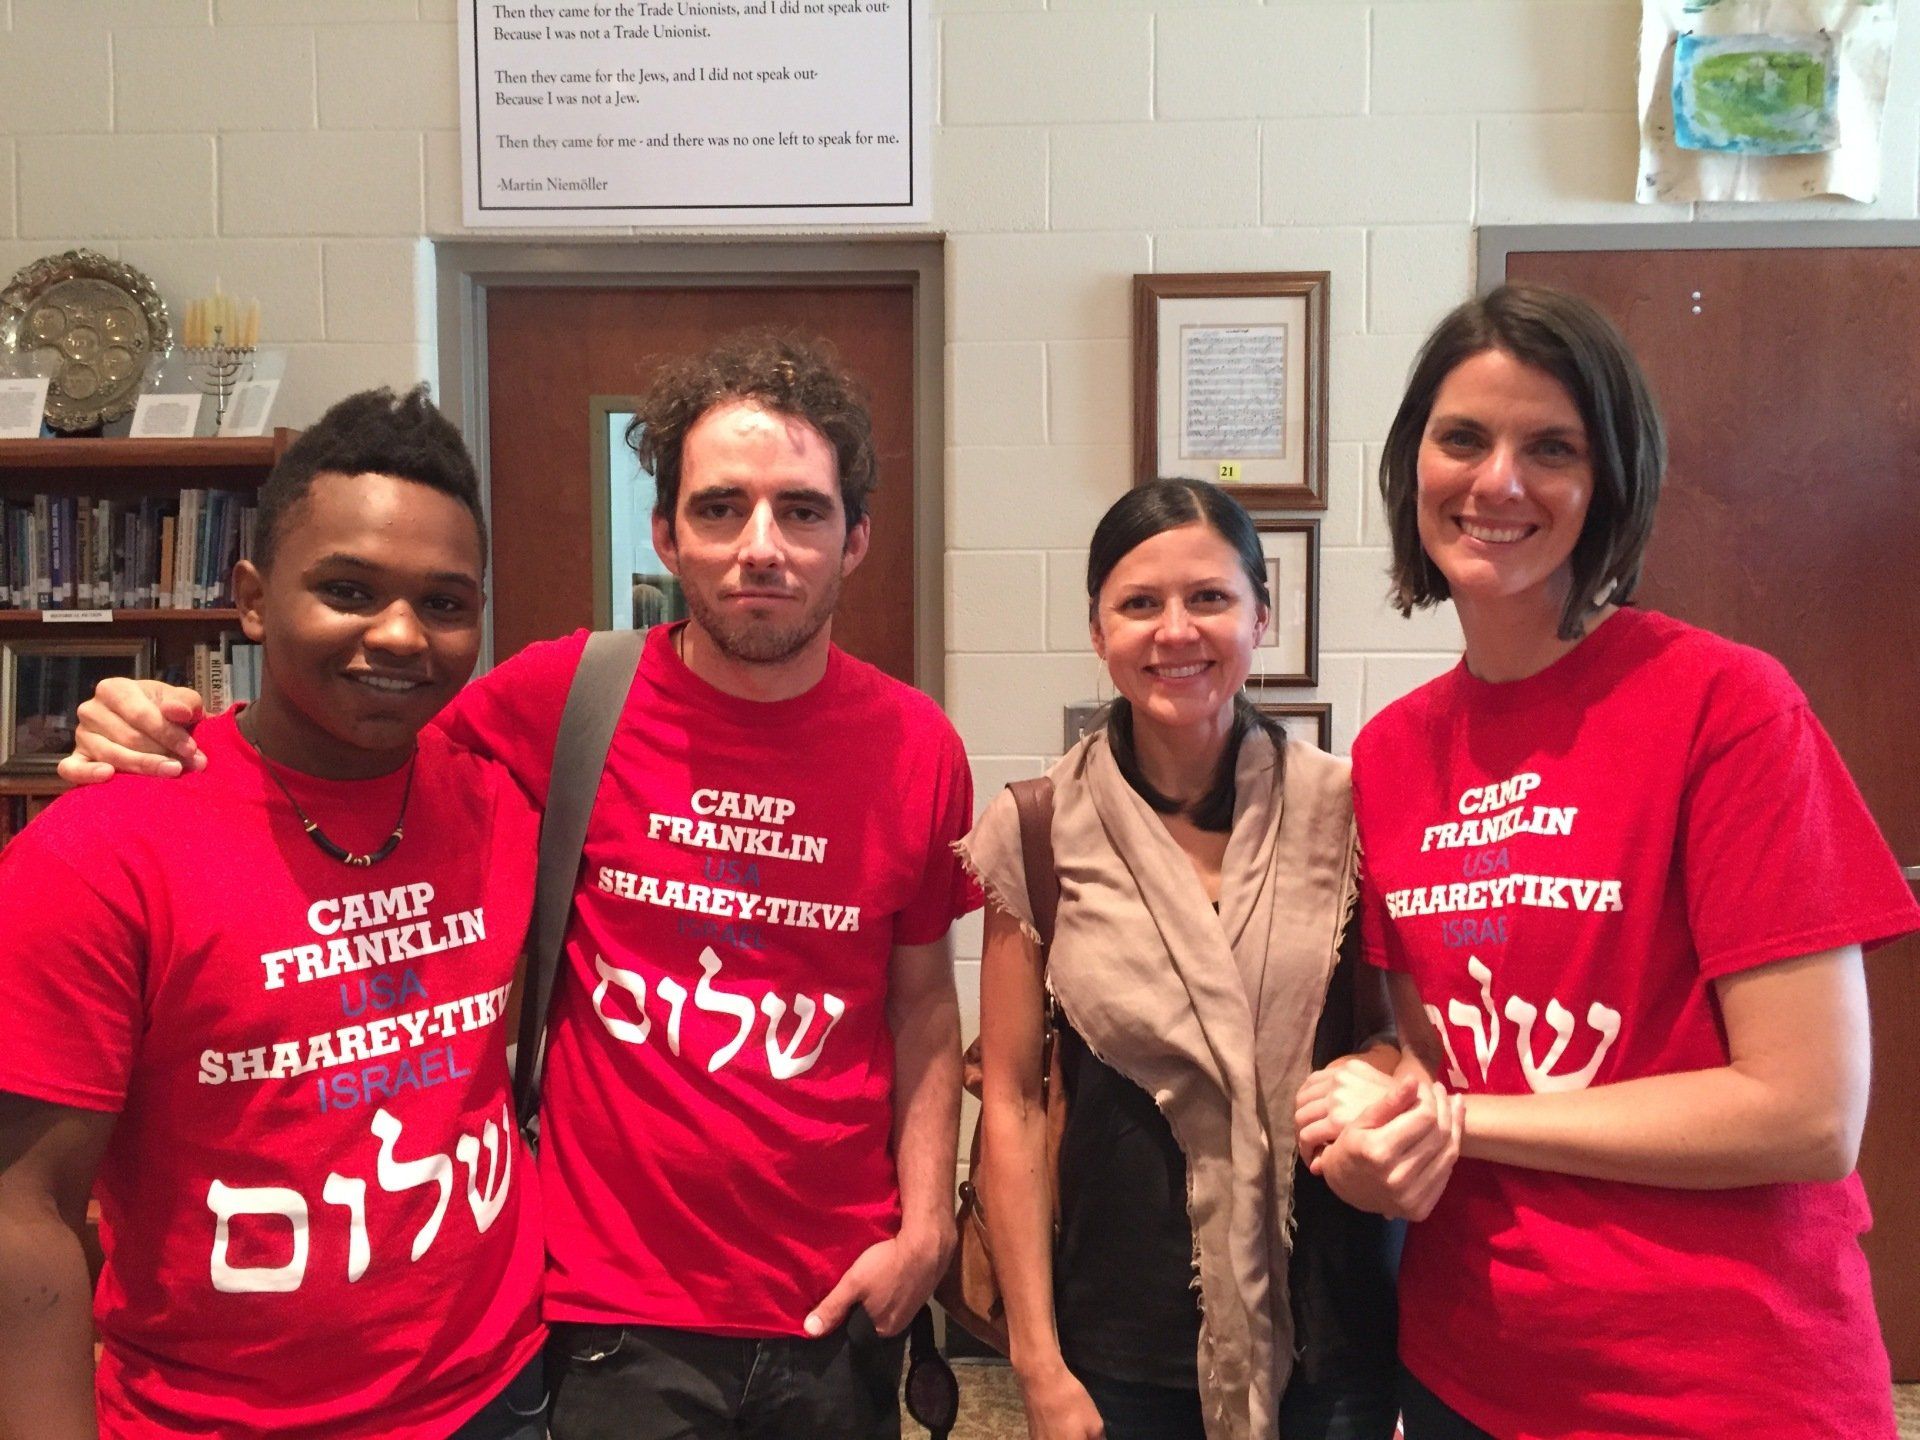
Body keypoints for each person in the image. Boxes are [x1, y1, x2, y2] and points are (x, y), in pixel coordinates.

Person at [59, 332, 979, 1440]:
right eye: (720, 508)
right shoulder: (565, 698)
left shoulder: (917, 749)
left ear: (856, 538)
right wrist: (164, 724)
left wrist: (928, 1225)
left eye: (803, 511)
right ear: (666, 534)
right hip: (606, 1308)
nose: (761, 547)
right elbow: (346, 729)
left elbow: (923, 1003)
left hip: (838, 1294)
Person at [1296, 283, 1920, 1439]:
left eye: (1553, 448)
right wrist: (1373, 1115)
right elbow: (1430, 1046)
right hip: (1467, 1372)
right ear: (1413, 466)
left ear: (1612, 482)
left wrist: (1459, 1122)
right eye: (1463, 438)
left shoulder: (1726, 706)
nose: (1498, 482)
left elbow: (1808, 1112)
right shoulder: (1392, 753)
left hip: (1720, 1387)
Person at [0, 387, 548, 1439]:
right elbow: (25, 1212)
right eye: (347, 589)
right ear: (252, 599)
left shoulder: (503, 804)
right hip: (219, 1419)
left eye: (444, 603)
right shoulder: (99, 853)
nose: (401, 634)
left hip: (500, 1395)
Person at [963, 478, 1401, 1440]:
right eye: (1139, 603)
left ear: (1260, 616)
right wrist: (1037, 1363)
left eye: (1209, 597)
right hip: (1117, 1343)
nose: (1175, 631)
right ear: (1097, 631)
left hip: (1334, 1336)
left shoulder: (1347, 814)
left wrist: (1376, 1075)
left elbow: (1395, 1037)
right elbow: (1013, 1100)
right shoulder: (1037, 831)